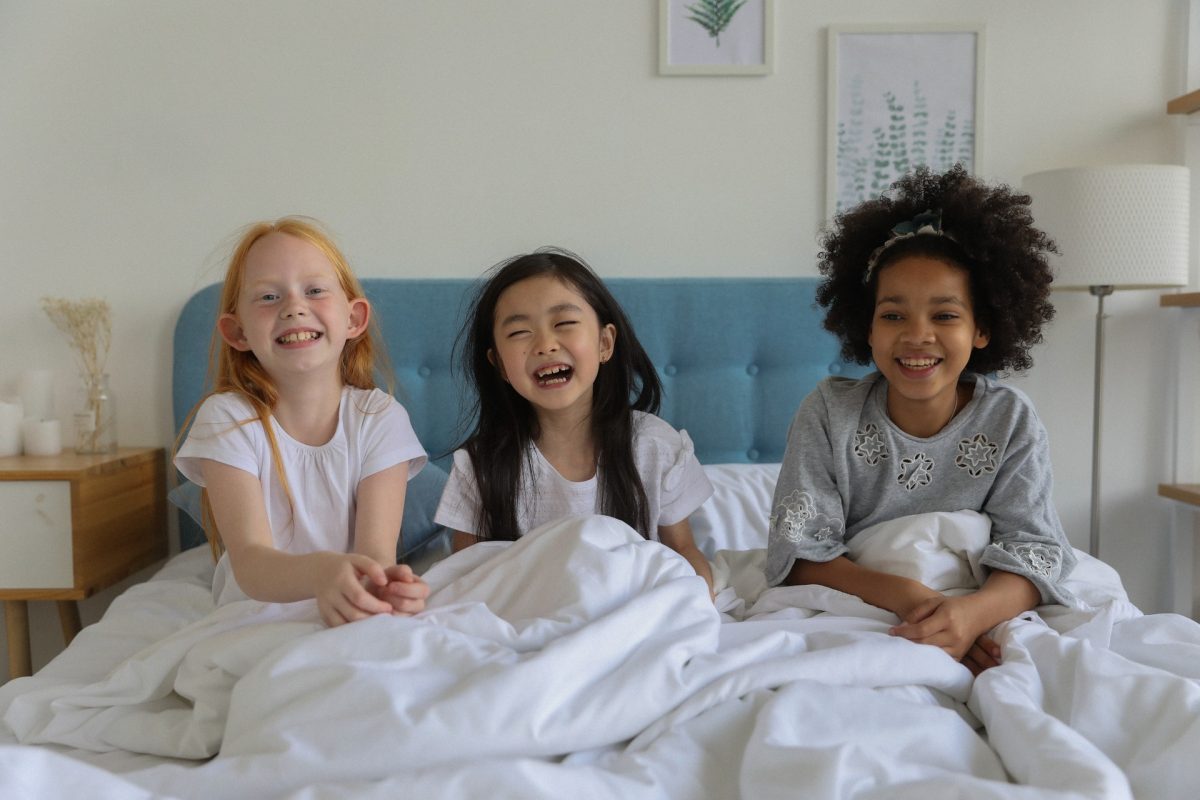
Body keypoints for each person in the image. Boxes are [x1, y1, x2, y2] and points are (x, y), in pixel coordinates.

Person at [764, 165, 1077, 674]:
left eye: (945, 315)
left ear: (981, 329)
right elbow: (797, 554)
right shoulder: (828, 411)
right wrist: (917, 602)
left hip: (977, 602)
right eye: (893, 315)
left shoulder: (1010, 419)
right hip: (871, 599)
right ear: (867, 327)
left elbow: (1034, 550)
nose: (917, 335)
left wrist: (970, 616)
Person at [175, 217, 430, 626]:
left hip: (348, 610)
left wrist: (387, 588)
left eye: (314, 291)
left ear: (353, 319)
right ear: (237, 332)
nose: (294, 307)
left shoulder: (380, 418)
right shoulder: (226, 419)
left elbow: (375, 555)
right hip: (254, 618)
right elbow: (252, 565)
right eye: (268, 296)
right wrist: (322, 573)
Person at [435, 248, 716, 596]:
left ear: (604, 343)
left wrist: (698, 603)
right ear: (500, 365)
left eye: (564, 324)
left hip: (631, 606)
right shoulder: (480, 464)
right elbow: (466, 579)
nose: (545, 345)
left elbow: (683, 552)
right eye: (519, 332)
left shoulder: (654, 446)